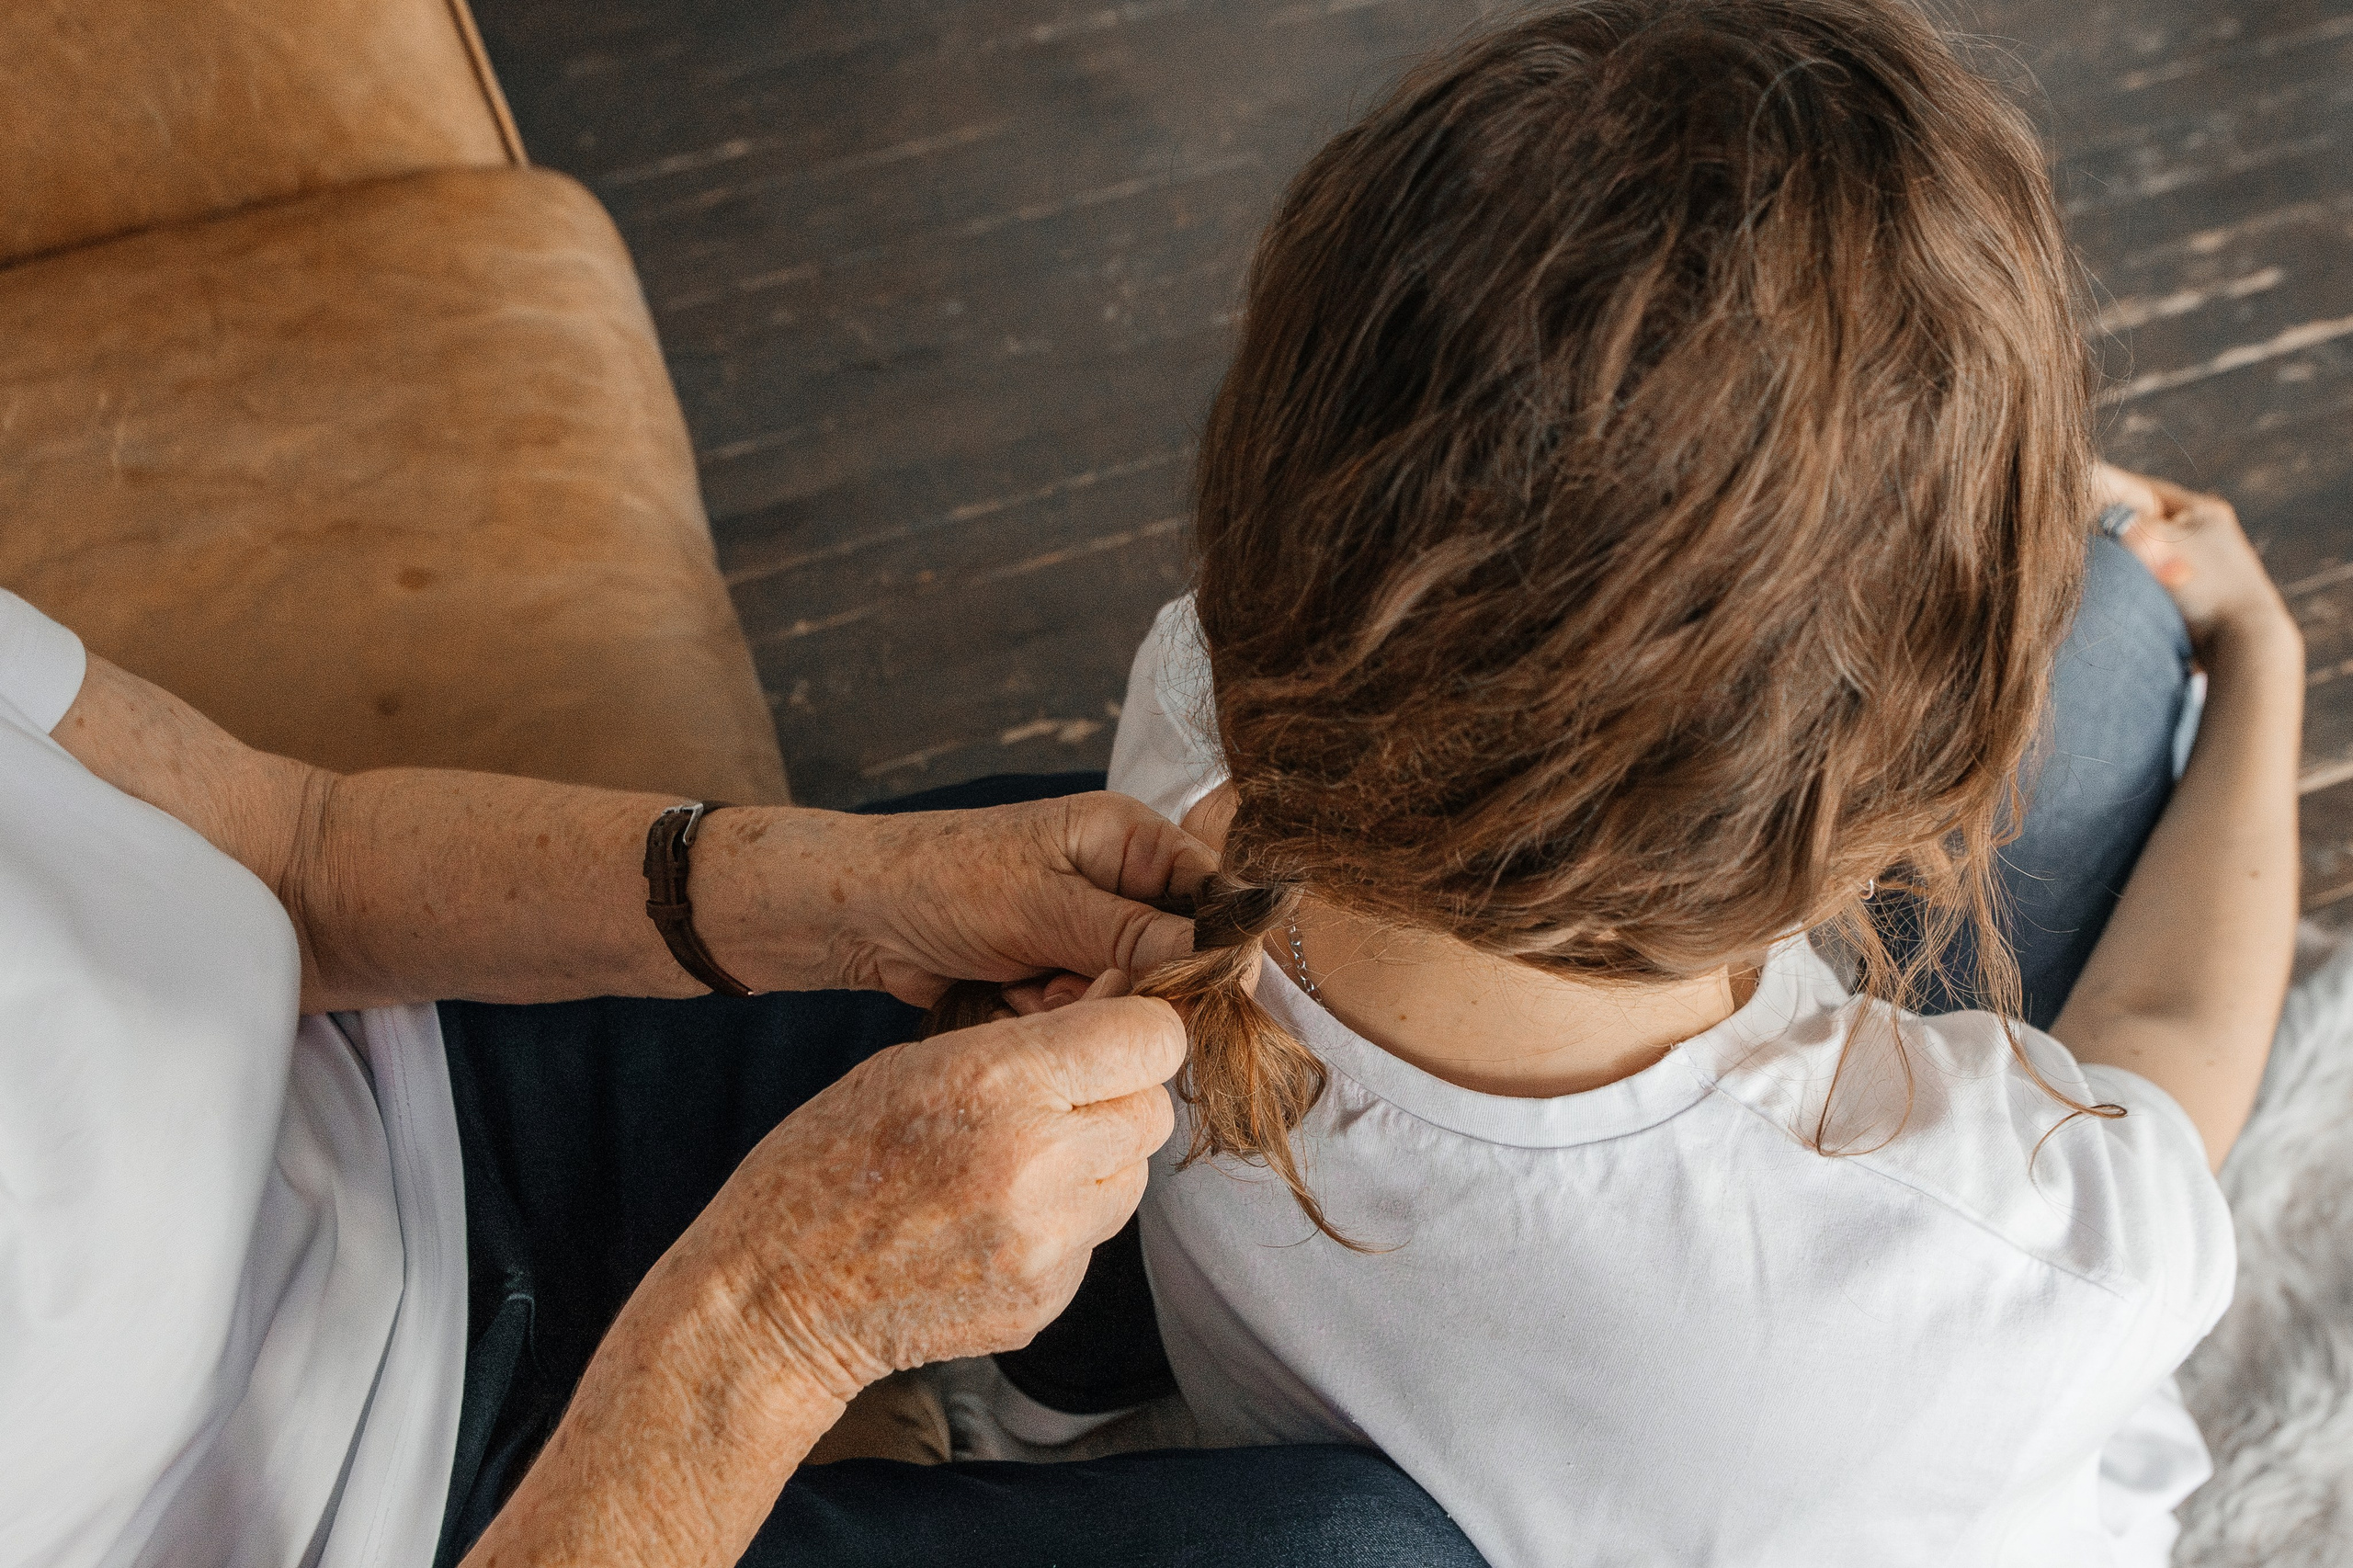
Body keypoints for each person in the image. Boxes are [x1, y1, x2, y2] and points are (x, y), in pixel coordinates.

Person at [1056, 2, 2302, 1563]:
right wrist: (2263, 662)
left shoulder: (1189, 722)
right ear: (1891, 790)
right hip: (1854, 1423)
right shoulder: (1976, 1255)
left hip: (1510, 1381)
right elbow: (2167, 1050)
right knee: (2122, 624)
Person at [0, 578, 1492, 1564]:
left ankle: (1046, 1384)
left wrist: (847, 888)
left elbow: (288, 841)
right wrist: (768, 1322)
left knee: (1092, 892)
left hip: (414, 1098)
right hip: (384, 1535)